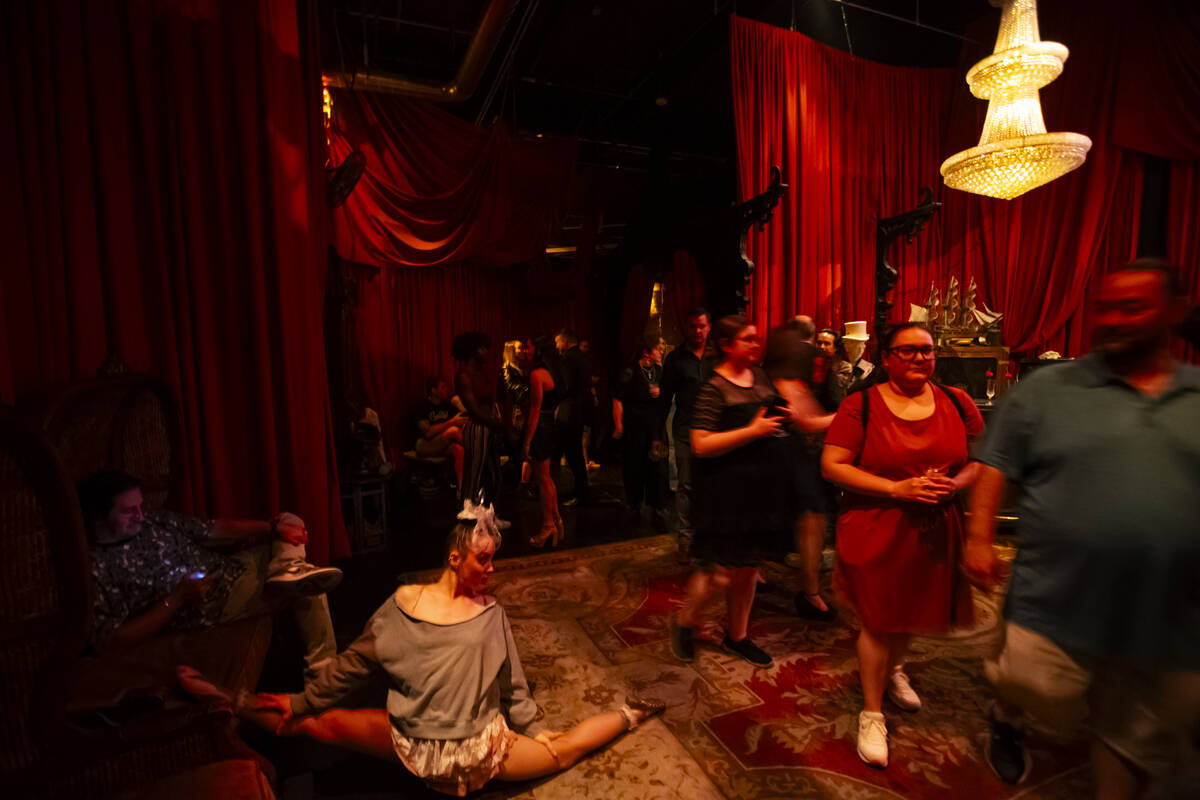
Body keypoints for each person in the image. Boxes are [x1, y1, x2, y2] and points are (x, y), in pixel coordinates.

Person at [177, 503, 665, 797]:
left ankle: (631, 714)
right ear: (455, 558)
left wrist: (536, 733)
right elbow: (350, 667)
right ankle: (228, 698)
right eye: (484, 560)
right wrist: (304, 700)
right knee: (313, 723)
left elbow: (512, 685)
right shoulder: (400, 608)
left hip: (481, 751)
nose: (492, 570)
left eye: (494, 560)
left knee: (562, 750)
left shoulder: (491, 613)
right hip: (413, 744)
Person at [965, 260, 1200, 796]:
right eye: (1104, 308)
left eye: (1132, 307)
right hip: (1054, 593)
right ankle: (1009, 718)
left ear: (1175, 312)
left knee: (1140, 728)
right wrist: (978, 538)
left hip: (1165, 607)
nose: (1113, 319)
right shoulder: (1047, 389)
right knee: (1028, 684)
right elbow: (996, 460)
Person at [821, 322, 983, 768]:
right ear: (887, 357)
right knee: (878, 619)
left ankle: (894, 670)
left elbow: (980, 461)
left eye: (926, 351)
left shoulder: (957, 400)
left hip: (934, 523)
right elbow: (832, 465)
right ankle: (871, 712)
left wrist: (953, 486)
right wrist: (897, 490)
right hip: (875, 523)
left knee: (911, 609)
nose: (919, 358)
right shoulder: (862, 405)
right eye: (908, 351)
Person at [79, 470, 340, 683]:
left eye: (139, 506)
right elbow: (110, 642)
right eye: (128, 511)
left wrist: (271, 528)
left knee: (290, 521)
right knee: (308, 585)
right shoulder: (101, 568)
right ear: (100, 518)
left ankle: (287, 567)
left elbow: (212, 530)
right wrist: (177, 599)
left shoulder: (152, 521)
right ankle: (323, 678)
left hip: (234, 564)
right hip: (220, 598)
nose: (139, 515)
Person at [670, 315, 797, 670]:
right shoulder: (712, 388)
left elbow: (763, 417)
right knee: (718, 574)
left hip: (756, 490)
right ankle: (685, 620)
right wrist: (754, 430)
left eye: (757, 339)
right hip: (723, 492)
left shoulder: (759, 376)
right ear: (727, 345)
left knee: (747, 569)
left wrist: (779, 418)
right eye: (748, 339)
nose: (757, 345)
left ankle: (737, 636)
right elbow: (700, 443)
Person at [762, 316, 837, 623]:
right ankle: (809, 592)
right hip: (790, 463)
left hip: (790, 461)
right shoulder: (786, 382)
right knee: (811, 520)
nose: (812, 352)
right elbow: (805, 421)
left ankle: (763, 577)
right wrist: (849, 415)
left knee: (806, 521)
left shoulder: (777, 378)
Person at [659, 306, 714, 562]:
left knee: (712, 484)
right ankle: (685, 539)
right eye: (693, 326)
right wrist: (657, 434)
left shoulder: (718, 355)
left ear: (709, 326)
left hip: (715, 429)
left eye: (702, 326)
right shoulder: (676, 359)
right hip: (685, 429)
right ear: (687, 327)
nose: (698, 331)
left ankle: (709, 537)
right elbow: (664, 399)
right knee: (687, 484)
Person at [613, 334, 669, 530]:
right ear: (647, 351)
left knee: (658, 468)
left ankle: (658, 508)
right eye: (658, 348)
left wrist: (661, 392)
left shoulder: (660, 370)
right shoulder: (630, 371)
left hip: (655, 429)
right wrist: (618, 425)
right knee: (634, 466)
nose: (661, 351)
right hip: (635, 427)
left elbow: (667, 395)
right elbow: (617, 398)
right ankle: (634, 505)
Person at [453, 331, 505, 506]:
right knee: (474, 473)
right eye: (483, 348)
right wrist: (499, 425)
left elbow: (491, 402)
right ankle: (468, 512)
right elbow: (474, 410)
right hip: (478, 427)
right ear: (473, 351)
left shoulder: (483, 373)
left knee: (495, 474)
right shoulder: (463, 376)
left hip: (489, 427)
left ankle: (490, 513)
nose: (487, 352)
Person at [523, 337, 565, 547]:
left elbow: (535, 409)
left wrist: (528, 440)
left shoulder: (537, 374)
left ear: (538, 350)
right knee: (547, 478)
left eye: (528, 346)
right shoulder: (556, 371)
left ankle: (548, 526)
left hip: (540, 427)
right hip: (551, 425)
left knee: (542, 480)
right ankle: (556, 521)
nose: (525, 350)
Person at [553, 329, 592, 506]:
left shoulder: (568, 359)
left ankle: (580, 494)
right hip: (580, 410)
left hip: (569, 412)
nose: (556, 345)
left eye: (557, 342)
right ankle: (581, 491)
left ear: (565, 341)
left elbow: (566, 386)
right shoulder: (582, 357)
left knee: (572, 454)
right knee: (574, 452)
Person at [415, 376, 466, 486]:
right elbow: (428, 433)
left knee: (459, 449)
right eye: (443, 387)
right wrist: (451, 422)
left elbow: (461, 419)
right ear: (433, 391)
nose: (446, 390)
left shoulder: (447, 405)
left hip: (444, 443)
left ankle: (462, 489)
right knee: (453, 430)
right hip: (425, 445)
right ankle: (480, 450)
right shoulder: (422, 406)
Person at [497, 339, 533, 492]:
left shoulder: (519, 369)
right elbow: (510, 389)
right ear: (511, 351)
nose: (522, 351)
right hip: (514, 413)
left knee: (521, 447)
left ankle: (520, 483)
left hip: (521, 411)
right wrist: (530, 390)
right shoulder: (506, 368)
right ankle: (516, 484)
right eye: (519, 348)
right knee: (516, 447)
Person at [817, 328, 854, 412]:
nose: (821, 347)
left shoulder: (844, 367)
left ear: (836, 348)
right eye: (819, 343)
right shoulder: (810, 364)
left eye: (826, 344)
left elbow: (836, 394)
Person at [842, 320, 877, 393]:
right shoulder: (839, 367)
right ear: (846, 345)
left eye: (863, 344)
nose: (861, 348)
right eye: (855, 344)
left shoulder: (869, 369)